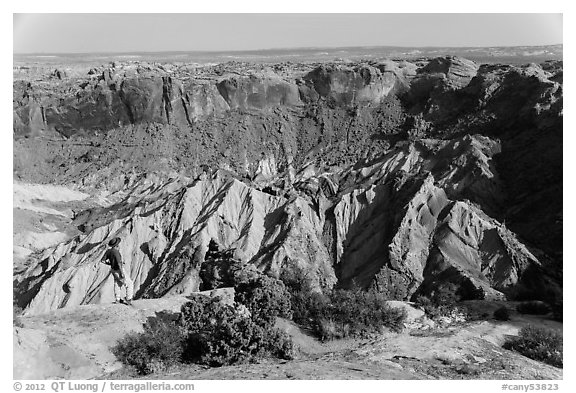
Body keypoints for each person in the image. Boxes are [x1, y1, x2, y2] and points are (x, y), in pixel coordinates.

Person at [101, 237, 133, 305]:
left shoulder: (108, 251)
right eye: (118, 244)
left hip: (113, 270)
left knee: (117, 283)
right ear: (116, 245)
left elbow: (102, 261)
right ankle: (128, 299)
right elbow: (118, 263)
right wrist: (121, 273)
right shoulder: (116, 252)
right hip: (119, 269)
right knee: (129, 284)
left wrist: (110, 263)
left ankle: (117, 299)